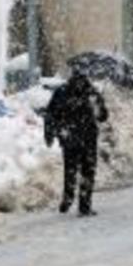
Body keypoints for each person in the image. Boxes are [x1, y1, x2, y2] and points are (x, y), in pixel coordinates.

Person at [44, 71, 109, 216]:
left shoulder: (61, 92)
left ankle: (68, 198)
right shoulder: (91, 93)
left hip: (69, 137)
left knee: (70, 170)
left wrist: (49, 134)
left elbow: (50, 114)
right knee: (88, 172)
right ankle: (84, 206)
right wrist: (98, 106)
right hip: (87, 139)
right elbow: (103, 117)